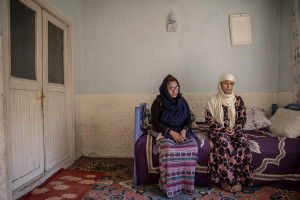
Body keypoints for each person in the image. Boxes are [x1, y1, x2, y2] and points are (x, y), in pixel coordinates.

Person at [151, 74, 198, 199]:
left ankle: (185, 186)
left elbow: (189, 119)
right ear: (164, 89)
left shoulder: (182, 101)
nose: (174, 91)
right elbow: (155, 123)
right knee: (169, 151)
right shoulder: (158, 102)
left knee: (192, 149)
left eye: (176, 88)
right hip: (166, 132)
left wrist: (183, 131)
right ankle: (169, 187)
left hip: (182, 131)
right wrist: (172, 133)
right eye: (171, 88)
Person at [205, 73, 254, 192]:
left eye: (231, 83)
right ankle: (226, 181)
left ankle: (239, 180)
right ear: (220, 84)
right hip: (218, 130)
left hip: (235, 130)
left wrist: (235, 130)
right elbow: (209, 120)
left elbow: (242, 119)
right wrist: (223, 129)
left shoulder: (238, 100)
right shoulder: (213, 100)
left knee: (243, 144)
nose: (228, 86)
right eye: (225, 83)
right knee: (224, 144)